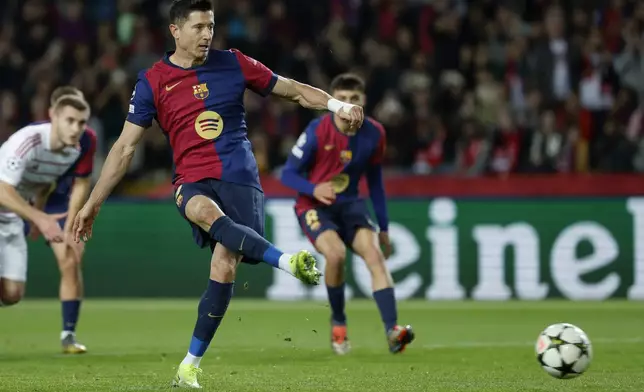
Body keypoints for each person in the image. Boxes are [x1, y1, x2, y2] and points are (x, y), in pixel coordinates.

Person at [71, 0, 363, 388]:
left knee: (224, 266)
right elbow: (125, 148)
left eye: (211, 26)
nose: (207, 34)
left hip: (240, 178)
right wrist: (93, 202)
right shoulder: (153, 81)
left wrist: (336, 104)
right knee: (204, 212)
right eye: (198, 27)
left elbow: (292, 91)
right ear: (176, 31)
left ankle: (189, 364)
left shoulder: (234, 63)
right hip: (191, 180)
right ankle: (287, 261)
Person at [280, 73, 414, 355]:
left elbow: (375, 182)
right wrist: (313, 188)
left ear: (364, 101)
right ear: (332, 100)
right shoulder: (317, 130)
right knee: (336, 254)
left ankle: (393, 331)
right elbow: (288, 174)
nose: (348, 104)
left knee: (375, 256)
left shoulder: (375, 133)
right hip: (314, 206)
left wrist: (384, 227)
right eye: (341, 98)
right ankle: (339, 324)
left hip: (351, 205)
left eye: (354, 99)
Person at [23, 86, 97, 354]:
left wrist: (70, 227)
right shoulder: (37, 138)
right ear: (53, 114)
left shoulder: (86, 139)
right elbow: (38, 185)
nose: (75, 125)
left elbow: (81, 184)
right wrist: (34, 218)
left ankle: (68, 335)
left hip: (60, 205)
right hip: (20, 201)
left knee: (70, 259)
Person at [0, 95, 90, 313]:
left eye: (81, 123)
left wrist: (37, 210)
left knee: (12, 294)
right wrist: (39, 218)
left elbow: (40, 183)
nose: (75, 128)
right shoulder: (28, 141)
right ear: (53, 116)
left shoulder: (71, 153)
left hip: (10, 219)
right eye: (69, 120)